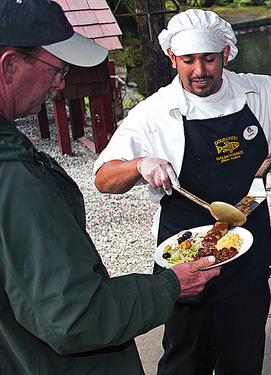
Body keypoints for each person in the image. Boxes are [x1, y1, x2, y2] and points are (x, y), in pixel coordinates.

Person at [93, 8, 271, 374]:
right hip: (187, 262)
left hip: (249, 257)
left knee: (243, 361)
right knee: (185, 361)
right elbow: (103, 177)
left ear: (226, 53)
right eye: (188, 60)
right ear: (171, 57)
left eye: (209, 59)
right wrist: (139, 165)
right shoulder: (155, 113)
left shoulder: (257, 91)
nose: (199, 71)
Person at [0, 1, 220, 374]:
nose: (61, 82)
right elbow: (77, 317)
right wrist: (170, 286)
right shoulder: (14, 177)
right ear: (8, 66)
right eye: (57, 69)